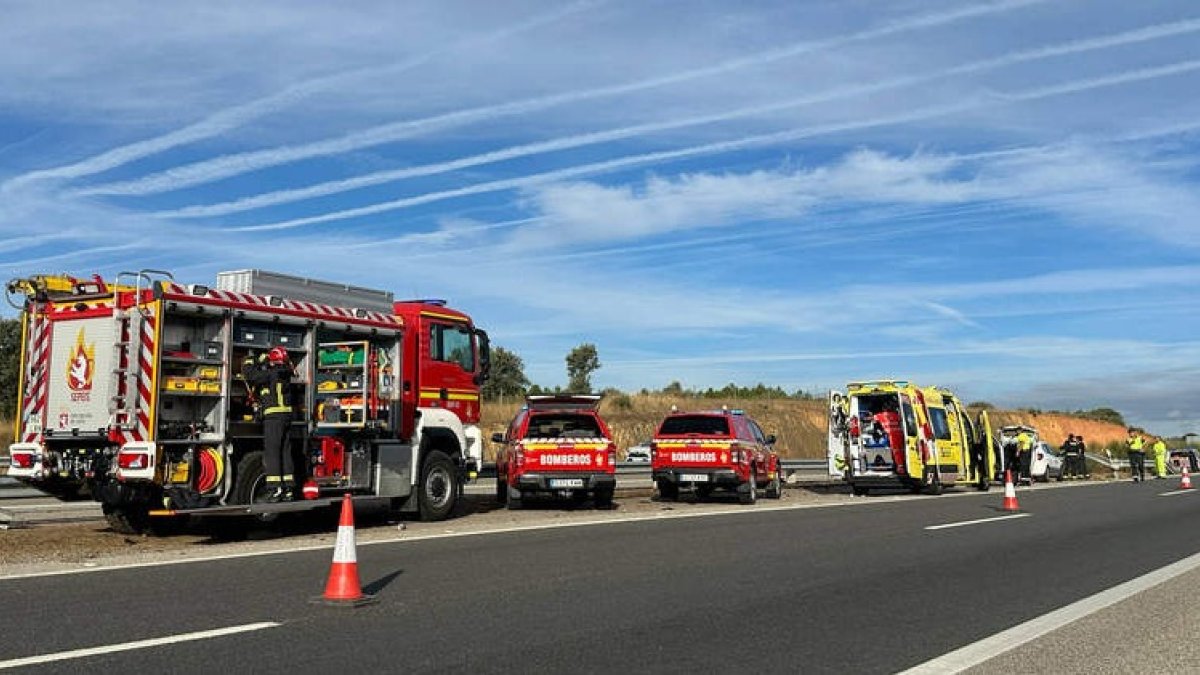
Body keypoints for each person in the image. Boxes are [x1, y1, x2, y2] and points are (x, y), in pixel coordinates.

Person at [242, 345, 296, 500]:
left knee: (272, 453)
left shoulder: (271, 374)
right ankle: (288, 489)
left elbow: (251, 375)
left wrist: (251, 360)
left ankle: (275, 488)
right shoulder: (284, 373)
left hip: (274, 419)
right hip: (286, 418)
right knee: (285, 452)